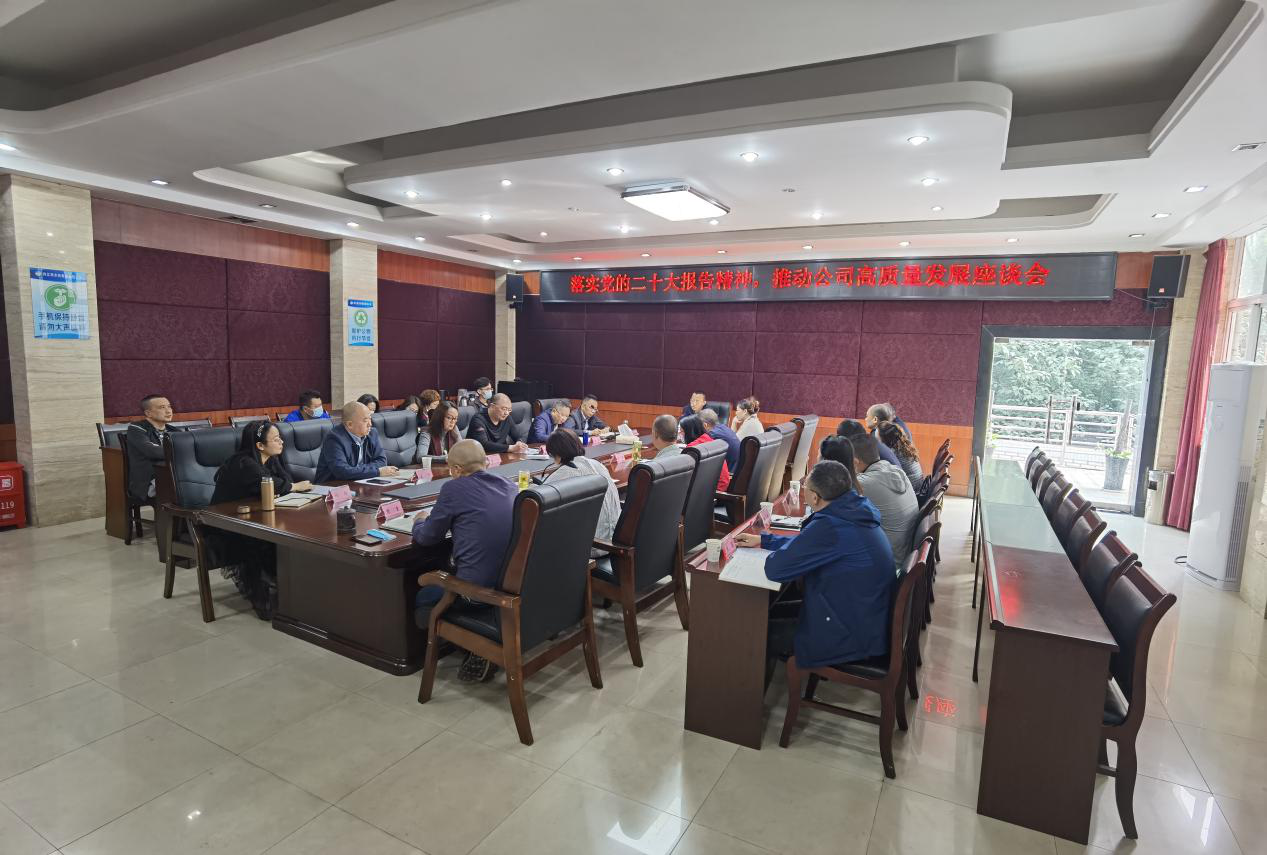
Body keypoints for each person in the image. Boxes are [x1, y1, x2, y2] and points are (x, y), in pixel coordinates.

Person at [735, 460, 895, 669]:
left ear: (815, 497)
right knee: (779, 605)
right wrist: (765, 540)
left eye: (805, 486)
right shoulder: (851, 510)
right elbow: (811, 545)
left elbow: (776, 569)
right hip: (866, 618)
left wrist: (776, 553)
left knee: (756, 629)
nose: (803, 489)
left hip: (852, 636)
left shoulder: (830, 525)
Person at [413, 439, 518, 682]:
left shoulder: (454, 489)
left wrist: (419, 521)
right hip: (510, 584)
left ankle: (476, 645)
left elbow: (427, 537)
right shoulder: (508, 484)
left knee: (422, 594)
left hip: (476, 594)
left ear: (457, 470)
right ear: (485, 462)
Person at [208, 421, 312, 618]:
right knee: (267, 542)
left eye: (280, 438)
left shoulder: (269, 458)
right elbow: (278, 485)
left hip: (255, 517)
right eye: (276, 439)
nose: (281, 442)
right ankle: (269, 600)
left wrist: (290, 485)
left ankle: (293, 591)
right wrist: (295, 487)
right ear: (260, 445)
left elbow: (284, 481)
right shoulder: (244, 463)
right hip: (227, 524)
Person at [837, 419, 918, 568]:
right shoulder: (894, 470)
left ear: (855, 462)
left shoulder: (866, 483)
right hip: (904, 555)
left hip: (889, 563)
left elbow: (832, 498)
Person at [541, 429, 621, 554]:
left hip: (591, 547)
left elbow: (539, 499)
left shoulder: (564, 473)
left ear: (557, 454)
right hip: (614, 541)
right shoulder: (597, 464)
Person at [315, 401, 399, 482]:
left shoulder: (372, 433)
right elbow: (342, 471)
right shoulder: (334, 439)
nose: (370, 424)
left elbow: (382, 461)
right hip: (332, 487)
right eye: (365, 420)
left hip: (361, 482)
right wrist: (377, 471)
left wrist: (358, 471)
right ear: (350, 424)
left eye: (370, 419)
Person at [126, 394, 178, 502]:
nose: (168, 411)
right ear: (148, 413)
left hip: (172, 476)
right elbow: (152, 451)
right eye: (162, 407)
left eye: (169, 406)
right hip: (149, 481)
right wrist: (181, 451)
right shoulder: (136, 428)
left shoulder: (174, 431)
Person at [682, 414, 730, 491]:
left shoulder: (692, 449)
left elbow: (684, 479)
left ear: (689, 431)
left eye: (682, 431)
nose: (680, 434)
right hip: (719, 489)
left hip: (710, 493)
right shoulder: (712, 441)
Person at [878, 421, 924, 493]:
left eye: (877, 435)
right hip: (919, 487)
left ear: (883, 439)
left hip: (911, 491)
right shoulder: (906, 445)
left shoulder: (892, 453)